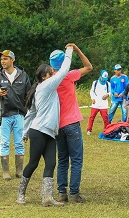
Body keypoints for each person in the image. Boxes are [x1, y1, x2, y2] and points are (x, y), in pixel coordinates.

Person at [17, 45, 74, 206]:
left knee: (51, 163)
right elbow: (63, 71)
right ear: (44, 76)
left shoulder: (42, 88)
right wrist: (69, 51)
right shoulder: (47, 86)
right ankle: (20, 194)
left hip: (49, 133)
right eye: (51, 72)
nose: (54, 74)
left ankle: (47, 198)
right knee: (33, 163)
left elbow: (31, 113)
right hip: (39, 131)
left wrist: (24, 133)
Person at [52, 44, 93, 203]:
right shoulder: (69, 75)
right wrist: (77, 50)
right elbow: (88, 67)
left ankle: (62, 193)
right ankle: (74, 193)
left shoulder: (50, 78)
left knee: (62, 159)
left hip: (57, 125)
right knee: (76, 159)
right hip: (72, 123)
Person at [0, 50, 31, 181]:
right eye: (1, 59)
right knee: (4, 142)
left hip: (19, 114)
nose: (3, 61)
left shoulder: (23, 75)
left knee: (19, 142)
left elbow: (29, 95)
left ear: (12, 60)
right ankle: (6, 171)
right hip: (4, 114)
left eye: (5, 59)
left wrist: (28, 111)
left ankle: (19, 170)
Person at [87, 70, 111, 135]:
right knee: (92, 117)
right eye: (103, 78)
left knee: (105, 118)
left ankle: (106, 130)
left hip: (103, 104)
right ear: (100, 76)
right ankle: (89, 130)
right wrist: (93, 98)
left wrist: (107, 95)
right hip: (95, 103)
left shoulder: (108, 84)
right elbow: (92, 91)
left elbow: (110, 92)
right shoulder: (95, 83)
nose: (104, 80)